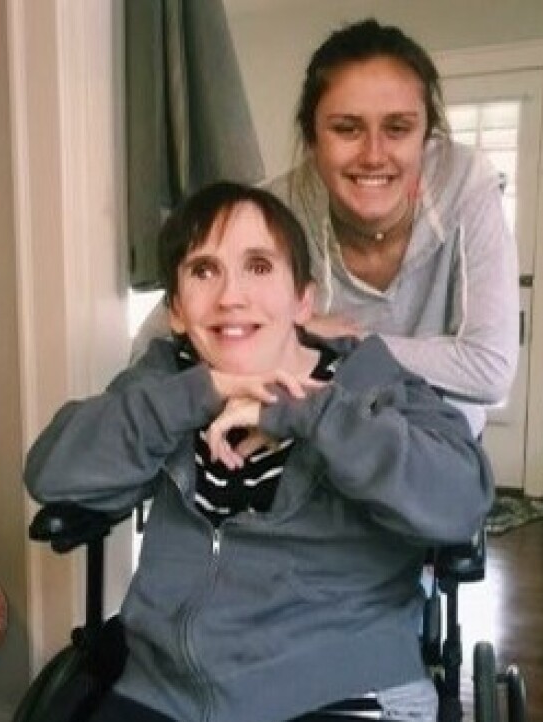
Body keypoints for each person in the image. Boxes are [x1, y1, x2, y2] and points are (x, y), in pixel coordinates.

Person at [0, 181, 494, 722]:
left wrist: (302, 413)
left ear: (303, 297)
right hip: (166, 700)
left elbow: (456, 502)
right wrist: (204, 392)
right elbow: (55, 470)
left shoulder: (376, 386)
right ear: (179, 309)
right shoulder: (162, 387)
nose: (232, 294)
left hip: (346, 710)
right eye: (202, 270)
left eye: (258, 266)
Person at [132, 17, 519, 438]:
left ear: (426, 136)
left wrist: (329, 339)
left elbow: (489, 369)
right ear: (312, 138)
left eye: (398, 128)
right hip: (314, 432)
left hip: (438, 440)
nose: (374, 155)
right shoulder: (274, 210)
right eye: (346, 129)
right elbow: (152, 342)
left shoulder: (467, 184)